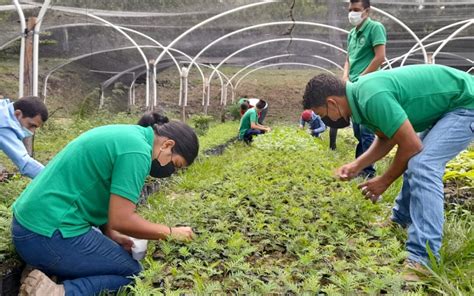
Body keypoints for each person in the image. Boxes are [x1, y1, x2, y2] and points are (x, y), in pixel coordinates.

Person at [302, 65, 474, 281]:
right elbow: (387, 137)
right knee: (417, 163)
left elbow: (410, 145)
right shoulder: (361, 100)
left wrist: (384, 180)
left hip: (466, 103)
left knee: (423, 165)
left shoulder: (371, 96)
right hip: (448, 106)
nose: (326, 121)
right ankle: (401, 219)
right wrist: (356, 165)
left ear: (332, 103)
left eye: (322, 114)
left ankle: (423, 260)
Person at [12, 117, 199, 295]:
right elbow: (122, 219)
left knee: (115, 258)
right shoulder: (138, 152)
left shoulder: (130, 137)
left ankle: (46, 269)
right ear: (168, 145)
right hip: (46, 234)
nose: (171, 172)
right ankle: (58, 292)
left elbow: (97, 190)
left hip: (31, 225)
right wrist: (171, 232)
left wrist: (110, 232)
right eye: (175, 165)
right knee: (132, 273)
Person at [339, 0, 387, 177]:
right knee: (358, 129)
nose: (352, 13)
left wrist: (362, 77)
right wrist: (345, 76)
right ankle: (360, 166)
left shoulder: (375, 28)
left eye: (356, 9)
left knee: (367, 130)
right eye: (350, 9)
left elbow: (380, 57)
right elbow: (348, 59)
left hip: (369, 85)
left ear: (366, 11)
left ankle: (367, 172)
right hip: (353, 87)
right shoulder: (351, 33)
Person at [0, 96, 48, 179]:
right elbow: (25, 163)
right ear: (18, 114)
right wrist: (52, 177)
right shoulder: (3, 125)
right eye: (31, 125)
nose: (32, 132)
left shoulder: (4, 107)